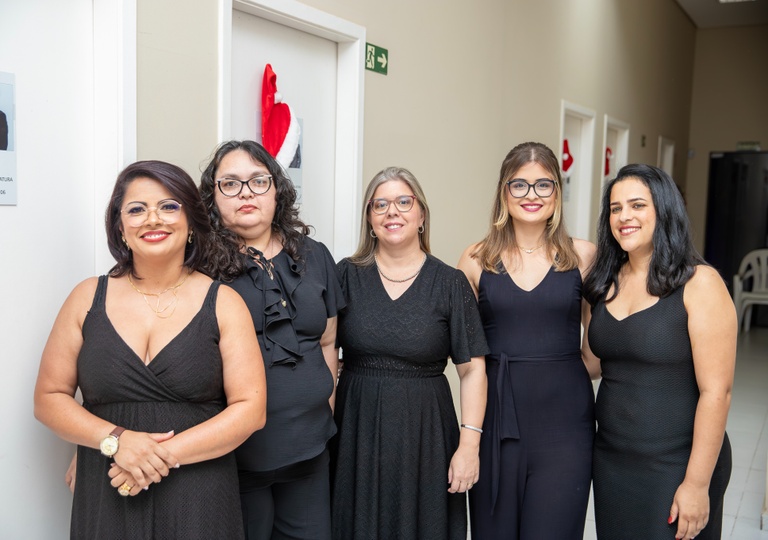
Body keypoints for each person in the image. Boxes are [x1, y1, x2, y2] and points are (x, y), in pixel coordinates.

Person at [34, 160, 267, 538]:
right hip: (108, 484)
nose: (152, 219)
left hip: (198, 492)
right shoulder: (86, 298)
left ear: (190, 221)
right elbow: (48, 398)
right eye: (137, 209)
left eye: (169, 206)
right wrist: (116, 441)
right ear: (120, 226)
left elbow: (250, 410)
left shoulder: (224, 303)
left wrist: (155, 457)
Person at [332, 167, 489, 540]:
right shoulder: (345, 276)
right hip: (356, 431)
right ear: (370, 219)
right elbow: (322, 349)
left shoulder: (450, 283)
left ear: (421, 216)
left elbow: (473, 371)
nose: (392, 212)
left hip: (426, 435)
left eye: (404, 202)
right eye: (380, 204)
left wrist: (469, 446)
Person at [199, 140, 345, 540]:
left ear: (276, 189)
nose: (246, 193)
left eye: (258, 181)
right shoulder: (198, 266)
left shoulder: (315, 255)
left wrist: (325, 410)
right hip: (235, 458)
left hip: (311, 451)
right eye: (230, 183)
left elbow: (328, 342)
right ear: (212, 197)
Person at [583, 163, 735, 540]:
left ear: (664, 210)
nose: (624, 216)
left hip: (676, 463)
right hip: (612, 459)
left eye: (637, 205)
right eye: (616, 208)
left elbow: (717, 393)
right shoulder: (605, 282)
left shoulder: (699, 283)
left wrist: (696, 485)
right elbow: (592, 365)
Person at [458, 141, 598, 539]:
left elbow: (597, 352)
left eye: (543, 184)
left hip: (566, 427)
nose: (531, 195)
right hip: (495, 421)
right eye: (519, 185)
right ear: (504, 191)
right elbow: (464, 355)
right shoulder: (475, 259)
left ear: (557, 192)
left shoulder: (584, 256)